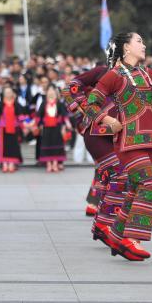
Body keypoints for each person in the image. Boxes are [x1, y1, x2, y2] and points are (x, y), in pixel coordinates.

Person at [85, 32, 152, 261]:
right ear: (126, 48)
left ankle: (117, 235)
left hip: (149, 141)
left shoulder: (148, 73)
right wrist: (107, 119)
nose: (144, 45)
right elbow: (91, 104)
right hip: (129, 142)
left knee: (135, 189)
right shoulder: (114, 75)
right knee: (150, 184)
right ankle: (131, 239)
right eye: (139, 41)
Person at [62, 48, 122, 241]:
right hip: (97, 132)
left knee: (110, 174)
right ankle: (103, 219)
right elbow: (69, 89)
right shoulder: (101, 71)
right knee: (114, 172)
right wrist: (87, 112)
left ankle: (101, 217)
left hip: (119, 133)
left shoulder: (131, 78)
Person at [0, 86, 29, 173]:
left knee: (13, 146)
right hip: (3, 129)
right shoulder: (1, 104)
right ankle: (4, 163)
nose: (8, 94)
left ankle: (12, 163)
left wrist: (26, 124)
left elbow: (20, 116)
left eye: (9, 92)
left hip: (14, 128)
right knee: (3, 147)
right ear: (4, 94)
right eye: (6, 92)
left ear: (12, 94)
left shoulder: (16, 104)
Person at [36, 84, 71, 172]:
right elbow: (39, 115)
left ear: (55, 92)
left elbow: (64, 115)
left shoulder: (59, 103)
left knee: (56, 144)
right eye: (49, 90)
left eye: (53, 91)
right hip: (46, 128)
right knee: (47, 144)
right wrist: (39, 124)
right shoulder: (44, 103)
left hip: (57, 128)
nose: (51, 92)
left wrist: (67, 123)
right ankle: (49, 164)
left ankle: (55, 163)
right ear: (47, 92)